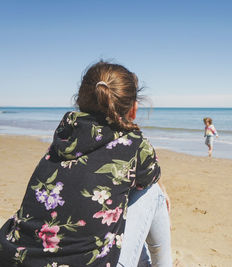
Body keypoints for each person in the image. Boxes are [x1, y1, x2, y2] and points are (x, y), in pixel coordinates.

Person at [0, 61, 171, 266]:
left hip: (15, 257)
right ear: (133, 109)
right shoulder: (135, 146)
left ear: (80, 102)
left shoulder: (64, 136)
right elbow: (150, 177)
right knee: (154, 193)